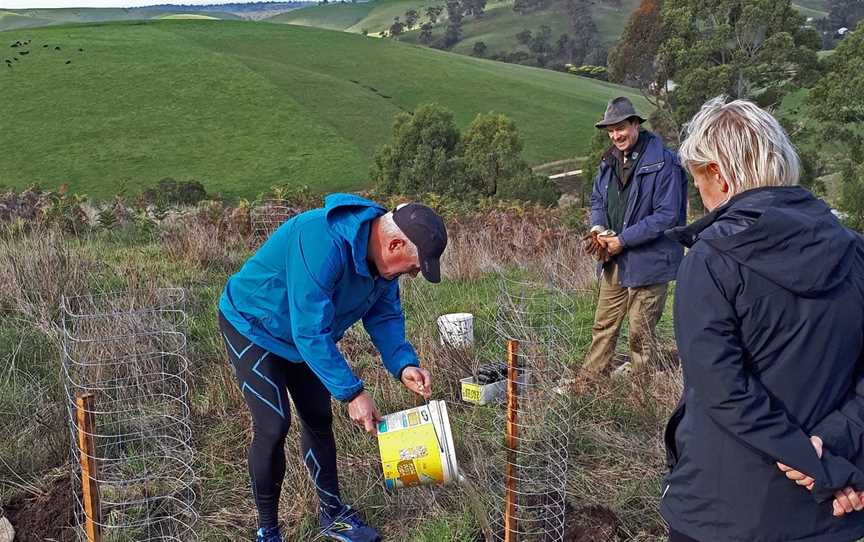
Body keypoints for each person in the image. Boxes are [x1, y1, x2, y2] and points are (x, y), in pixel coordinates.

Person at [662, 96, 864, 542]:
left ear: (719, 172)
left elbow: (725, 391)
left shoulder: (711, 259)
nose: (701, 195)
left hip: (722, 510)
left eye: (698, 180)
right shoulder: (854, 251)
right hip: (829, 511)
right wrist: (832, 452)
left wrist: (818, 465)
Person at [218, 194, 447, 542]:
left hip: (304, 336)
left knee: (319, 419)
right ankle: (268, 530)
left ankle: (333, 513)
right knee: (274, 424)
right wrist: (353, 393)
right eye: (415, 265)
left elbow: (383, 315)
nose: (415, 273)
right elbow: (309, 330)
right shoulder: (320, 241)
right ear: (395, 243)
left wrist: (404, 365)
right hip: (254, 325)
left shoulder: (382, 268)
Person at [580, 96, 688, 380]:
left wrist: (623, 240)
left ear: (635, 124)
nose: (616, 135)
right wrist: (597, 228)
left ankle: (642, 390)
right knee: (604, 324)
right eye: (611, 131)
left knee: (641, 331)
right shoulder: (608, 163)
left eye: (621, 128)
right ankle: (591, 379)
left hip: (650, 262)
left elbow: (667, 215)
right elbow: (597, 201)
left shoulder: (664, 163)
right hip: (615, 259)